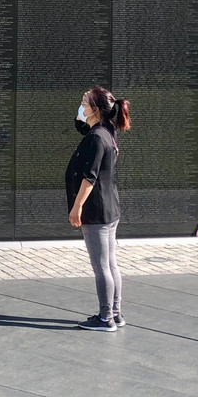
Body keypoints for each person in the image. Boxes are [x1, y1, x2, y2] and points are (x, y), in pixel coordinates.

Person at [66, 85, 131, 332]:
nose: (81, 106)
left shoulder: (96, 138)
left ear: (94, 109)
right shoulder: (106, 130)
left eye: (84, 102)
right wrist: (81, 114)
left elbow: (89, 178)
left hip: (96, 210)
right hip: (109, 208)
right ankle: (115, 312)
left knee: (101, 266)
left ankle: (106, 319)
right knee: (110, 262)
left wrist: (77, 207)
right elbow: (83, 126)